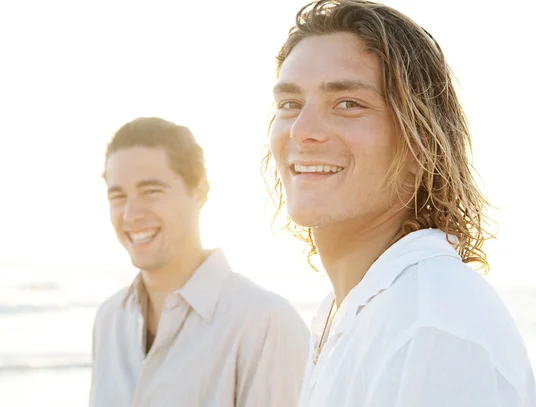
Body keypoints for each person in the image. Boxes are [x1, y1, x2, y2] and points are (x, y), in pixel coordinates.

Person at [263, 1, 536, 406]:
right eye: (290, 104)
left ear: (419, 143)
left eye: (347, 104)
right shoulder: (353, 312)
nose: (302, 131)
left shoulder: (431, 323)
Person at [88, 117, 309, 407]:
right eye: (117, 196)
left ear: (200, 191)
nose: (130, 214)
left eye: (151, 192)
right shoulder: (109, 319)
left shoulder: (265, 323)